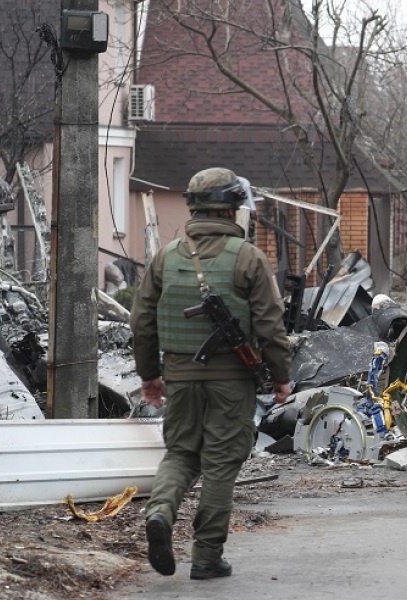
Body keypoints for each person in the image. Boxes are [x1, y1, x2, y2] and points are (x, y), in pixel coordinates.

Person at [132, 167, 292, 580]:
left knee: (181, 453)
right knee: (221, 462)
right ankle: (206, 558)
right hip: (231, 381)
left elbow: (142, 321)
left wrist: (150, 375)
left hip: (179, 377)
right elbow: (270, 326)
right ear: (233, 207)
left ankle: (160, 513)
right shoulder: (249, 257)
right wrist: (280, 376)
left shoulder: (165, 257)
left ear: (194, 207)